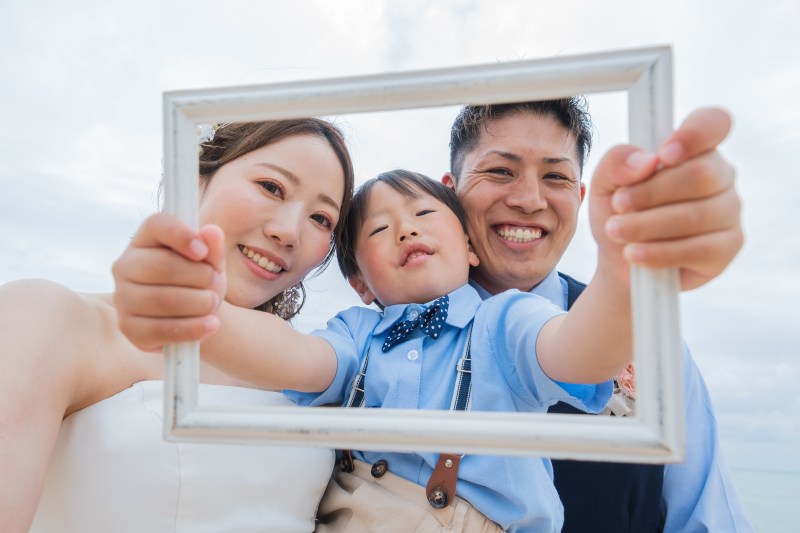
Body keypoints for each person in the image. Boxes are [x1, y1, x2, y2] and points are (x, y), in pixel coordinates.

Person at [115, 156, 736, 533]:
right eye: (380, 230)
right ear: (361, 283)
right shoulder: (356, 334)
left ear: (469, 247)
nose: (405, 229)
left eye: (423, 215)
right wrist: (204, 313)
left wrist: (621, 278)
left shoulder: (504, 321)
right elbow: (293, 358)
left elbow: (576, 349)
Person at [0, 119, 355, 533]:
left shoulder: (312, 370)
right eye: (271, 187)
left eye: (321, 218)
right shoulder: (48, 318)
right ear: (196, 179)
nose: (289, 232)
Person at [443, 99, 753, 531]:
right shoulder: (378, 337)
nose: (530, 200)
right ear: (450, 190)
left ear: (580, 197)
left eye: (556, 176)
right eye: (499, 171)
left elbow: (707, 519)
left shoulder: (652, 344)